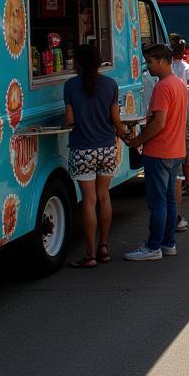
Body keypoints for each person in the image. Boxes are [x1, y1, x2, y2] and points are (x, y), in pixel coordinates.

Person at [64, 44, 127, 267]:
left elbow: (70, 120)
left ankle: (89, 254)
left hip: (82, 148)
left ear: (77, 63)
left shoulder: (70, 85)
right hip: (107, 147)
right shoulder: (110, 84)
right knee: (104, 197)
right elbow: (115, 118)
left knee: (89, 200)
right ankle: (104, 247)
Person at [124, 44, 188, 261]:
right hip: (175, 149)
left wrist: (138, 141)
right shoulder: (179, 84)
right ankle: (168, 243)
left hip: (159, 151)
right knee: (169, 200)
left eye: (150, 61)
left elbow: (159, 122)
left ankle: (153, 247)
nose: (148, 66)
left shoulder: (162, 87)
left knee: (157, 202)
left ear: (161, 61)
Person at [169, 34, 189, 232]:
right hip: (187, 113)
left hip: (176, 115)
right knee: (188, 150)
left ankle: (186, 183)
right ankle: (188, 183)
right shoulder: (188, 68)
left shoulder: (166, 69)